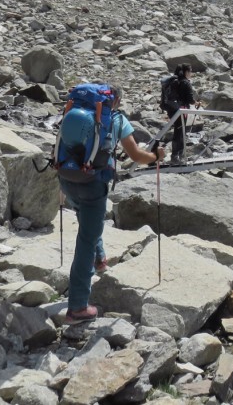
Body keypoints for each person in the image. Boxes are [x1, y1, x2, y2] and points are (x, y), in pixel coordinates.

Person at [58, 83, 165, 324]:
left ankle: (100, 259)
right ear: (115, 102)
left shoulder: (73, 110)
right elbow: (137, 156)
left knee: (86, 220)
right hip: (92, 184)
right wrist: (157, 156)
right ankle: (77, 307)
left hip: (66, 177)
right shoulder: (115, 119)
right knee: (86, 237)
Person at [162, 63, 198, 165]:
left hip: (172, 110)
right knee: (180, 133)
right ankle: (177, 156)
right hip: (182, 111)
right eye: (190, 71)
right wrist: (197, 103)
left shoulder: (174, 82)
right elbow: (190, 100)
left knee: (178, 132)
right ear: (186, 72)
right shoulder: (186, 83)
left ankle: (178, 156)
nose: (191, 73)